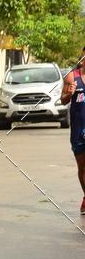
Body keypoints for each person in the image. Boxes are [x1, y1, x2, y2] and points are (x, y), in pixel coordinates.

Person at [60, 47, 85, 214]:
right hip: (78, 129)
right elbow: (62, 100)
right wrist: (69, 93)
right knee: (82, 168)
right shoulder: (72, 76)